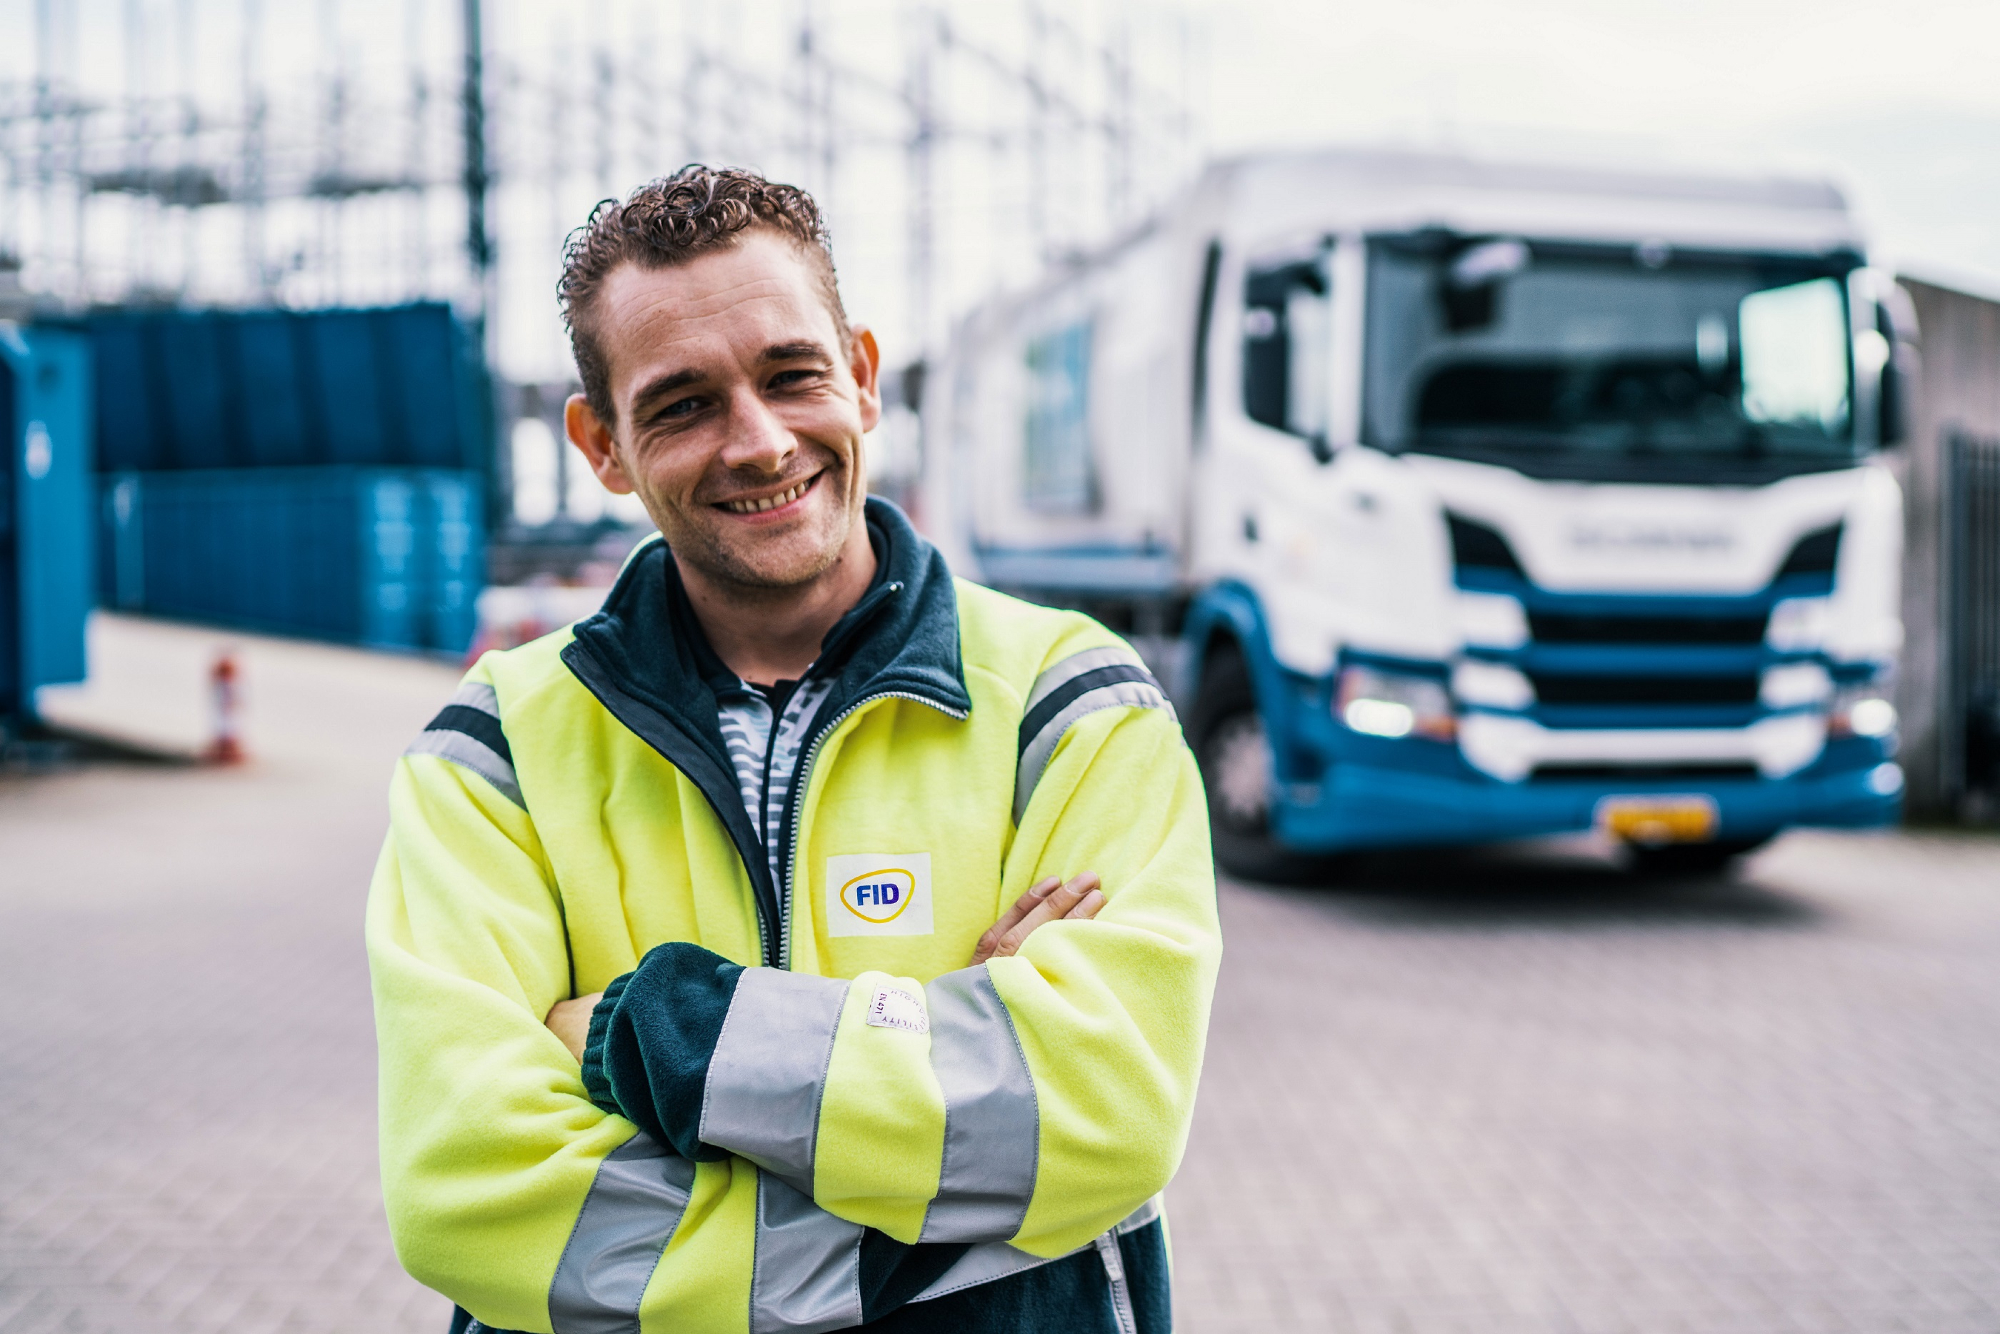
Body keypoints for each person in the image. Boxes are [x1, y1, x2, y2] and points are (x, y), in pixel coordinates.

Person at [366, 165, 1220, 1334]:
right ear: (600, 443)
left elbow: (1102, 1112)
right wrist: (953, 1126)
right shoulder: (496, 749)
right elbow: (469, 1189)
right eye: (681, 404)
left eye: (791, 375)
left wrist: (654, 1031)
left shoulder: (1070, 708)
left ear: (861, 376)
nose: (759, 442)